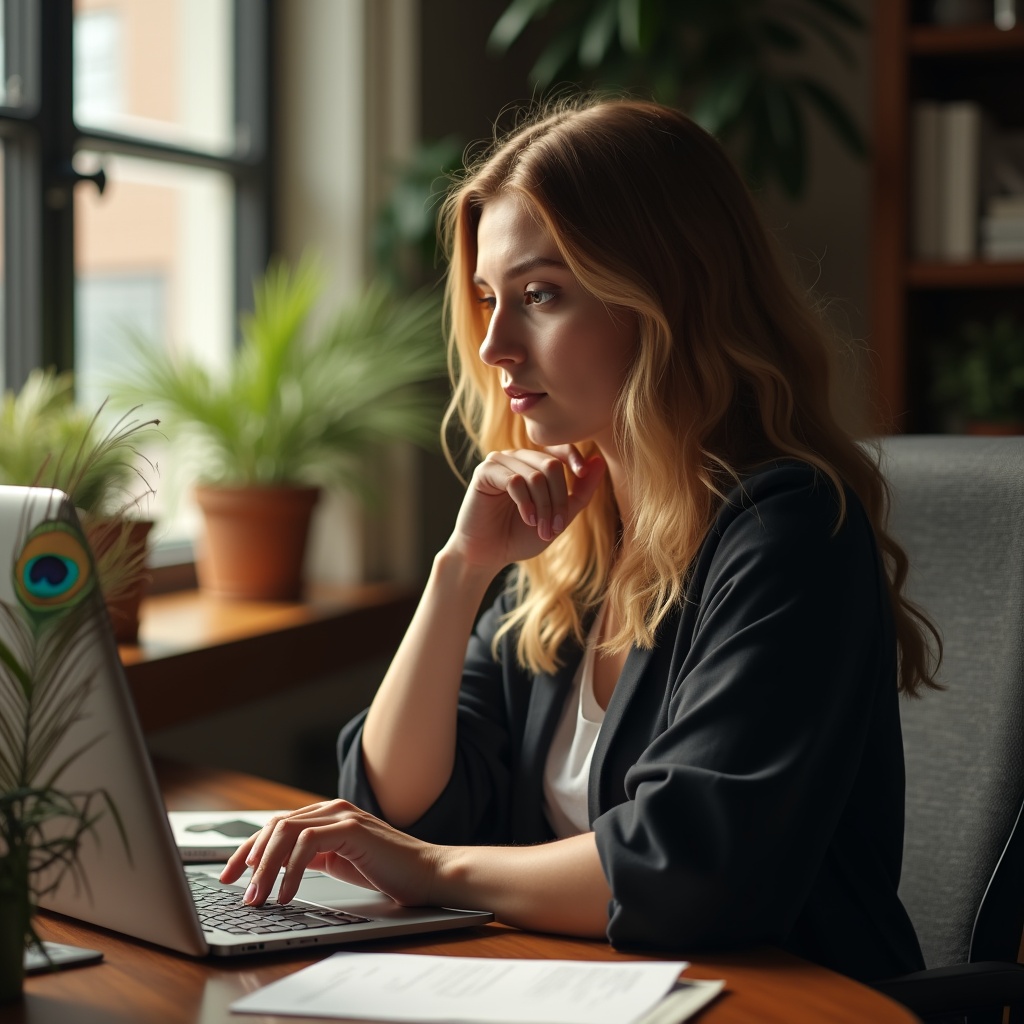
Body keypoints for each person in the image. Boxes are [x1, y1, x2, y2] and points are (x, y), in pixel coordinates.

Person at [221, 97, 939, 982]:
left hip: (779, 1001)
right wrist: (460, 572)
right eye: (488, 298)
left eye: (541, 295)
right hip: (586, 986)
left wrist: (438, 871)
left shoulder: (788, 533)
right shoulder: (570, 541)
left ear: (669, 294)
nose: (493, 343)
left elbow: (687, 869)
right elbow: (401, 809)